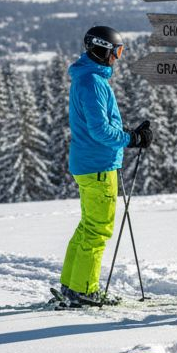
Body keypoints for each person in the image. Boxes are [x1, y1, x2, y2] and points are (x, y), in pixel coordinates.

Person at [56, 25, 152, 307]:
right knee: (98, 229)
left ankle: (72, 285)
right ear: (102, 49)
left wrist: (127, 132)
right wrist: (131, 138)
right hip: (98, 165)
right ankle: (85, 290)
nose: (117, 58)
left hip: (88, 163)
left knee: (87, 227)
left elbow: (98, 125)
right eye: (116, 51)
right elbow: (100, 132)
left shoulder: (87, 78)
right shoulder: (93, 83)